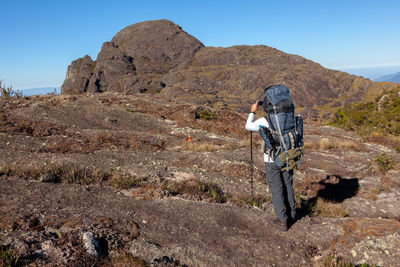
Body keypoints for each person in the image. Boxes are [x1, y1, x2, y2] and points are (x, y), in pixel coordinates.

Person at [245, 101, 297, 232]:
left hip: (271, 159)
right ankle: (292, 214)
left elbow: (248, 126)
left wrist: (252, 111)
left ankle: (282, 221)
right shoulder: (291, 118)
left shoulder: (265, 120)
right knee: (288, 185)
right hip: (288, 157)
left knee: (276, 188)